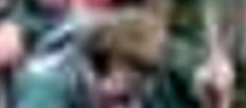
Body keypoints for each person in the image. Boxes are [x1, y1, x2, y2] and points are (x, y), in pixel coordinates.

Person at [12, 8, 169, 108]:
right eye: (131, 70)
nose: (134, 81)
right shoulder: (49, 81)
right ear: (113, 56)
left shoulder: (135, 88)